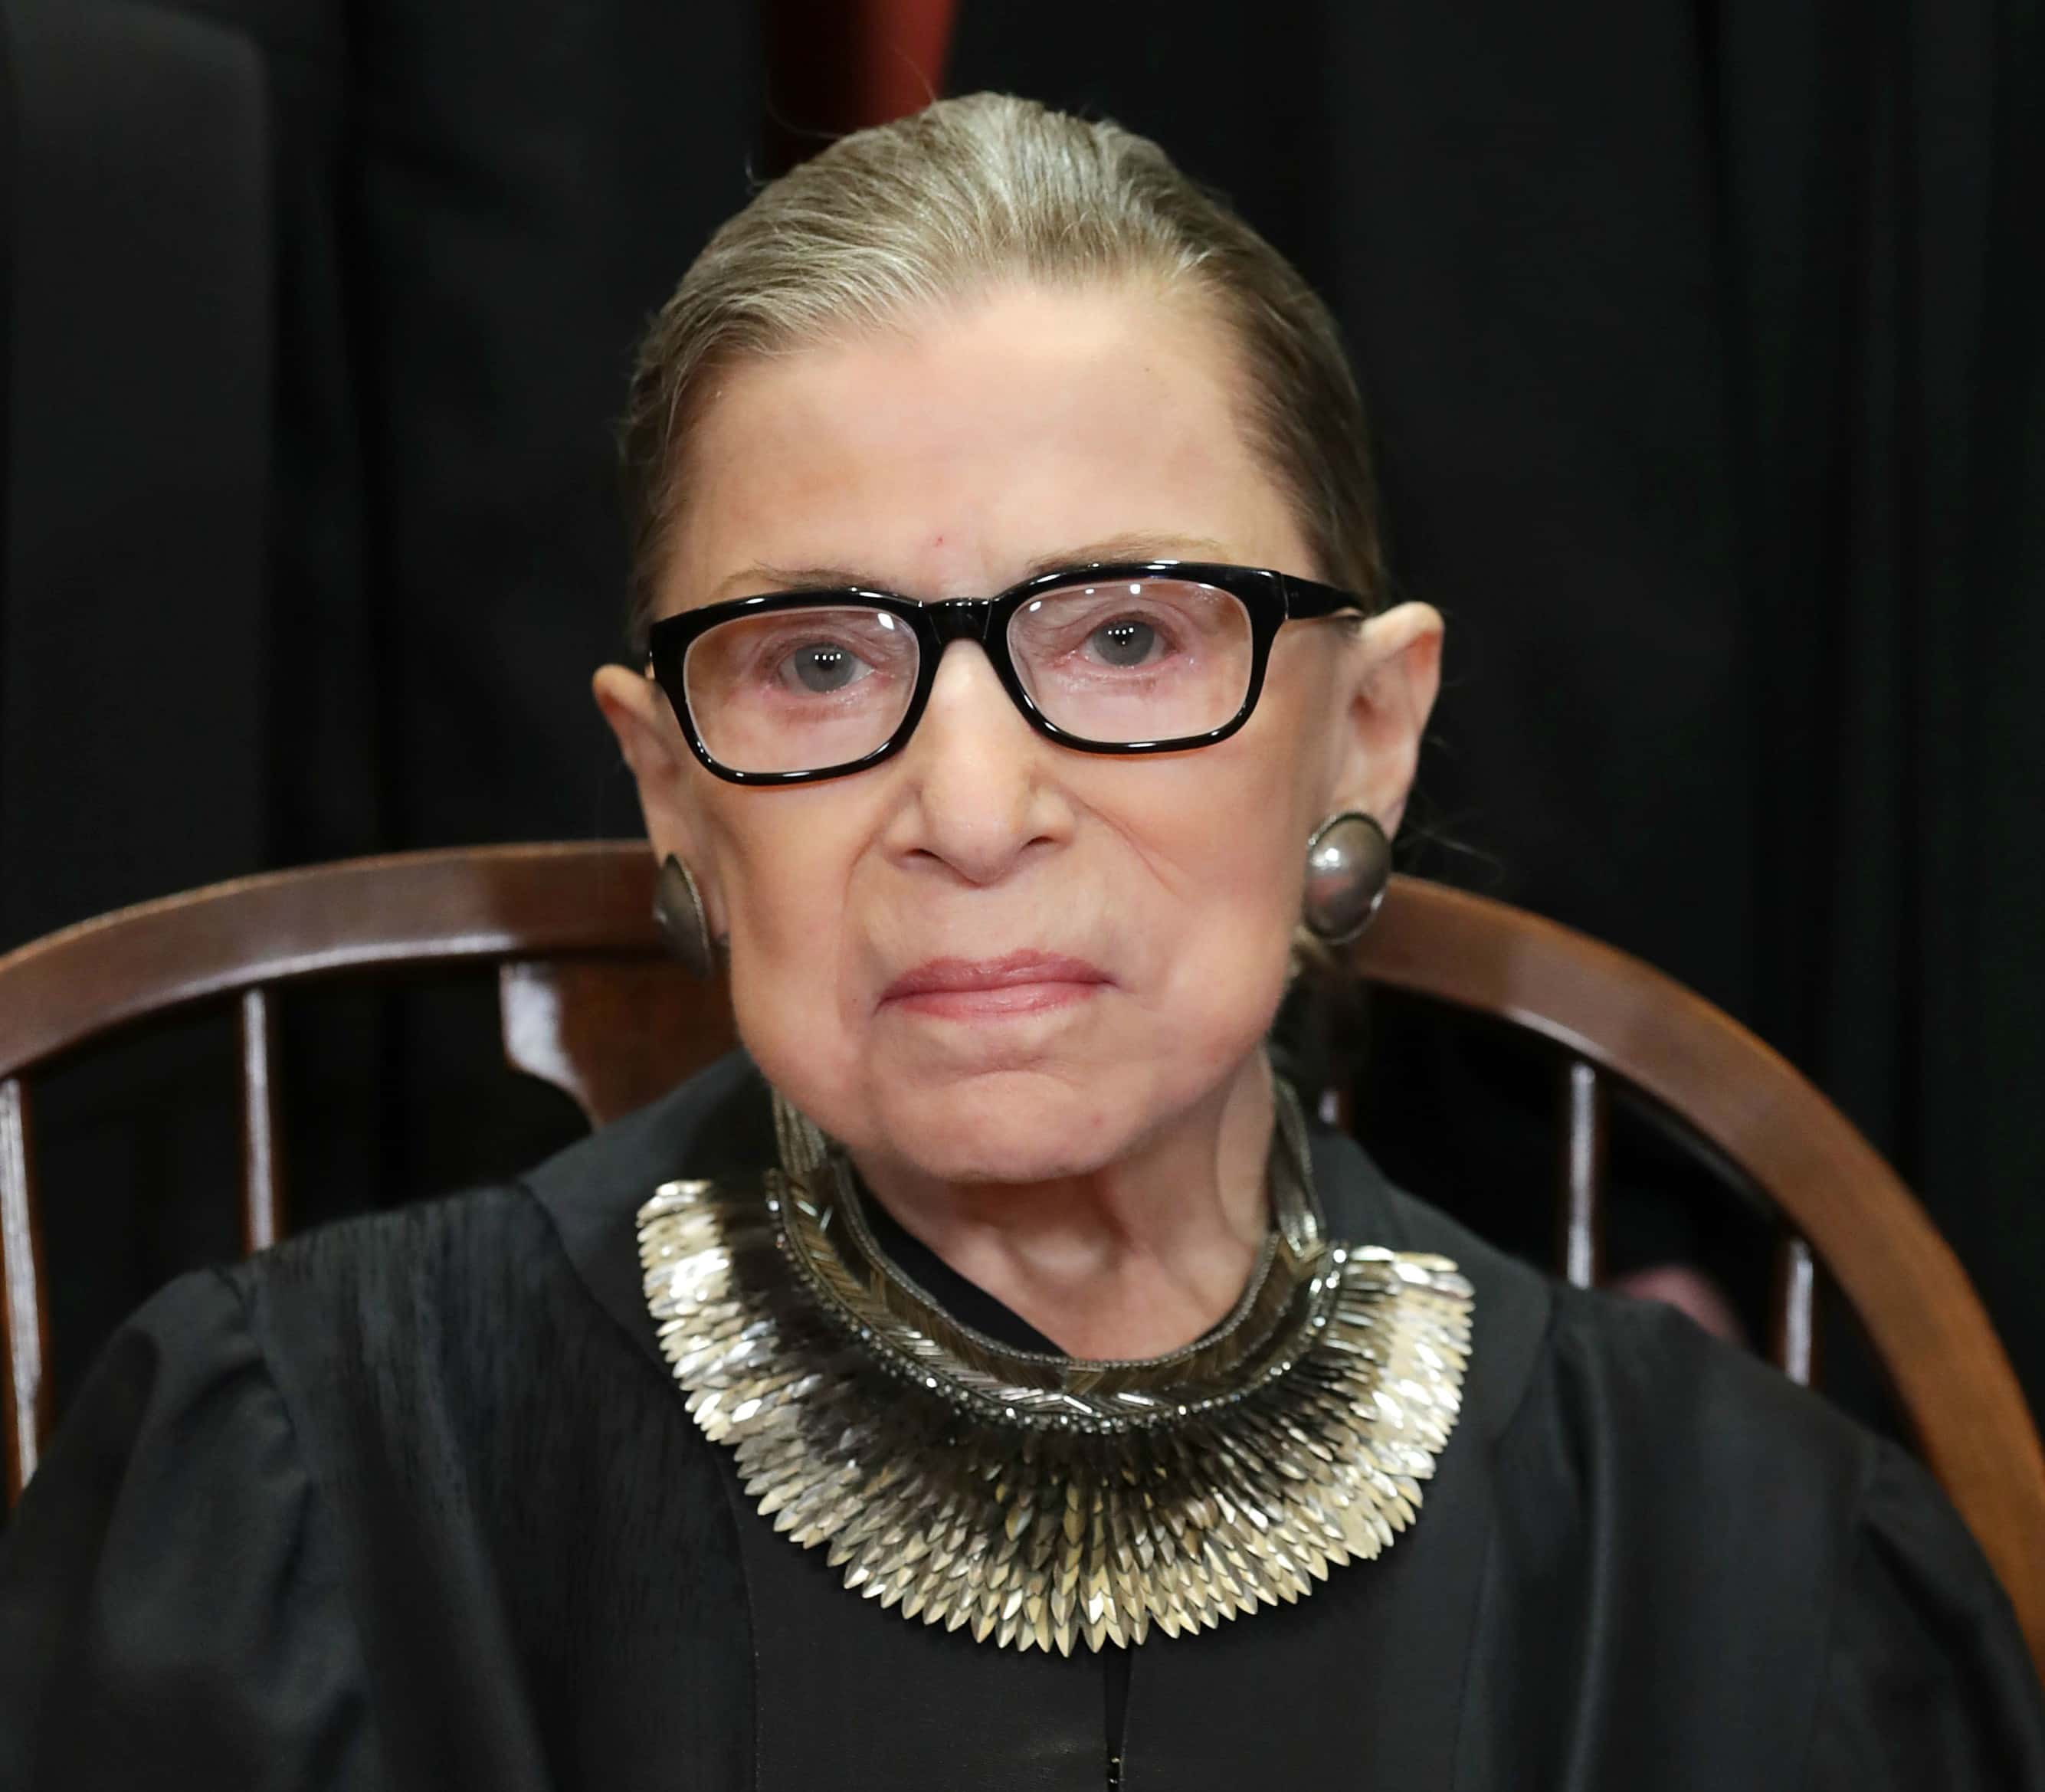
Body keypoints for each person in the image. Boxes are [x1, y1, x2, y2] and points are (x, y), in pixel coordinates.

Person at [2, 93, 2040, 1790]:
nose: (972, 813)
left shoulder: (1760, 1587)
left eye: (1131, 637)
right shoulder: (305, 1503)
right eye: (814, 660)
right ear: (668, 784)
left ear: (1371, 729)